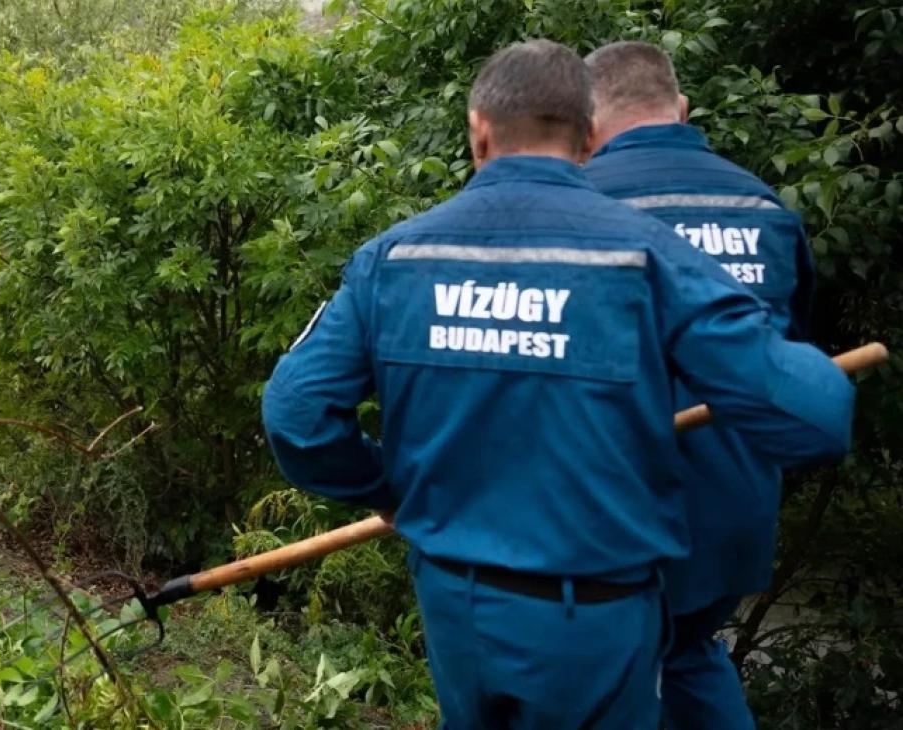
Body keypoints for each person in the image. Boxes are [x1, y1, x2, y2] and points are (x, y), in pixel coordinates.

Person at [261, 40, 854, 729]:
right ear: (584, 135)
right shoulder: (649, 257)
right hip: (597, 620)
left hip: (455, 608)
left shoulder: (396, 257)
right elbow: (812, 415)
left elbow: (297, 415)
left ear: (479, 129)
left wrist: (386, 489)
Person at [582, 41, 818, 730]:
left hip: (609, 513)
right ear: (681, 110)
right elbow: (785, 365)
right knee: (686, 654)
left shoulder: (574, 211)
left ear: (586, 122)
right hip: (733, 512)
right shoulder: (766, 208)